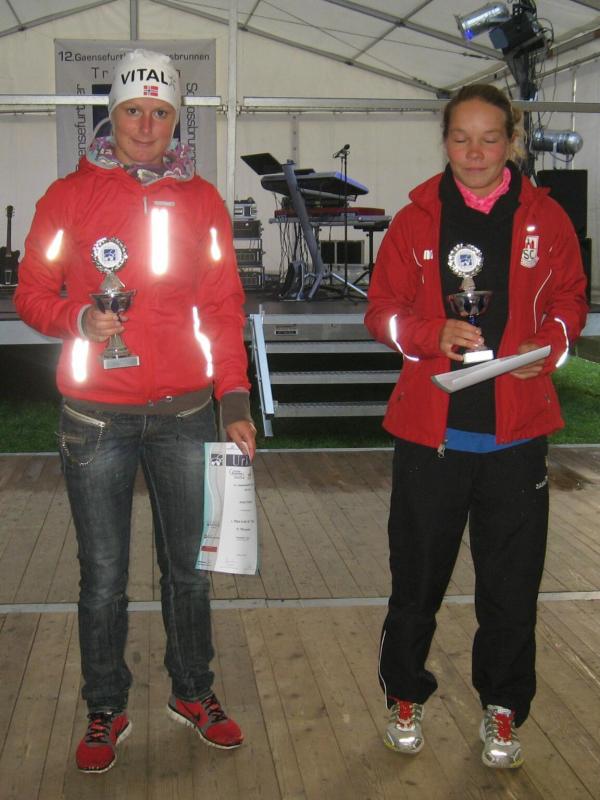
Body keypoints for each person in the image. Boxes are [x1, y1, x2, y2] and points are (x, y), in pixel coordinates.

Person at [15, 48, 256, 773]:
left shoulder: (203, 202)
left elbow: (223, 306)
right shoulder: (67, 197)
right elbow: (31, 292)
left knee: (191, 571)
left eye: (159, 112)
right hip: (96, 419)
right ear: (110, 115)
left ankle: (193, 691)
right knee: (102, 575)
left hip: (186, 413)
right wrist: (78, 319)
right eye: (132, 111)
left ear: (175, 121)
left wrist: (234, 398)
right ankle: (105, 705)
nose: (146, 125)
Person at [365, 84, 587, 769]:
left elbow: (571, 301)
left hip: (516, 438)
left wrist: (552, 344)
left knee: (511, 591)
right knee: (415, 585)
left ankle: (503, 708)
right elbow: (381, 312)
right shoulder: (414, 220)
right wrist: (429, 334)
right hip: (431, 437)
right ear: (445, 141)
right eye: (461, 138)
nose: (475, 151)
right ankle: (406, 695)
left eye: (490, 138)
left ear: (512, 142)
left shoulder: (548, 218)